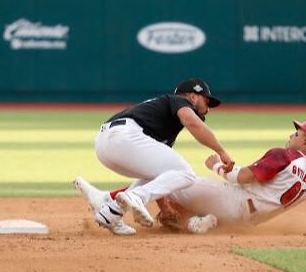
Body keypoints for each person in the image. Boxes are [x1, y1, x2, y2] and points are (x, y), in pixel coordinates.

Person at [153, 118, 306, 234]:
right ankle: (196, 223)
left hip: (232, 200)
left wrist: (217, 166)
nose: (291, 135)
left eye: (297, 133)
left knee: (171, 181)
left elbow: (243, 177)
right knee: (167, 218)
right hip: (245, 223)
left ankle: (120, 199)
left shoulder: (285, 155)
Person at [74, 78, 234, 235]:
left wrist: (165, 208)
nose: (208, 108)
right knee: (186, 174)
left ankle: (111, 209)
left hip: (106, 144)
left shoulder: (165, 123)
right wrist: (221, 152)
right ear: (193, 97)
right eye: (207, 101)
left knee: (166, 172)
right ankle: (136, 196)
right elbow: (192, 123)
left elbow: (157, 174)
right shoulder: (179, 101)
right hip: (124, 137)